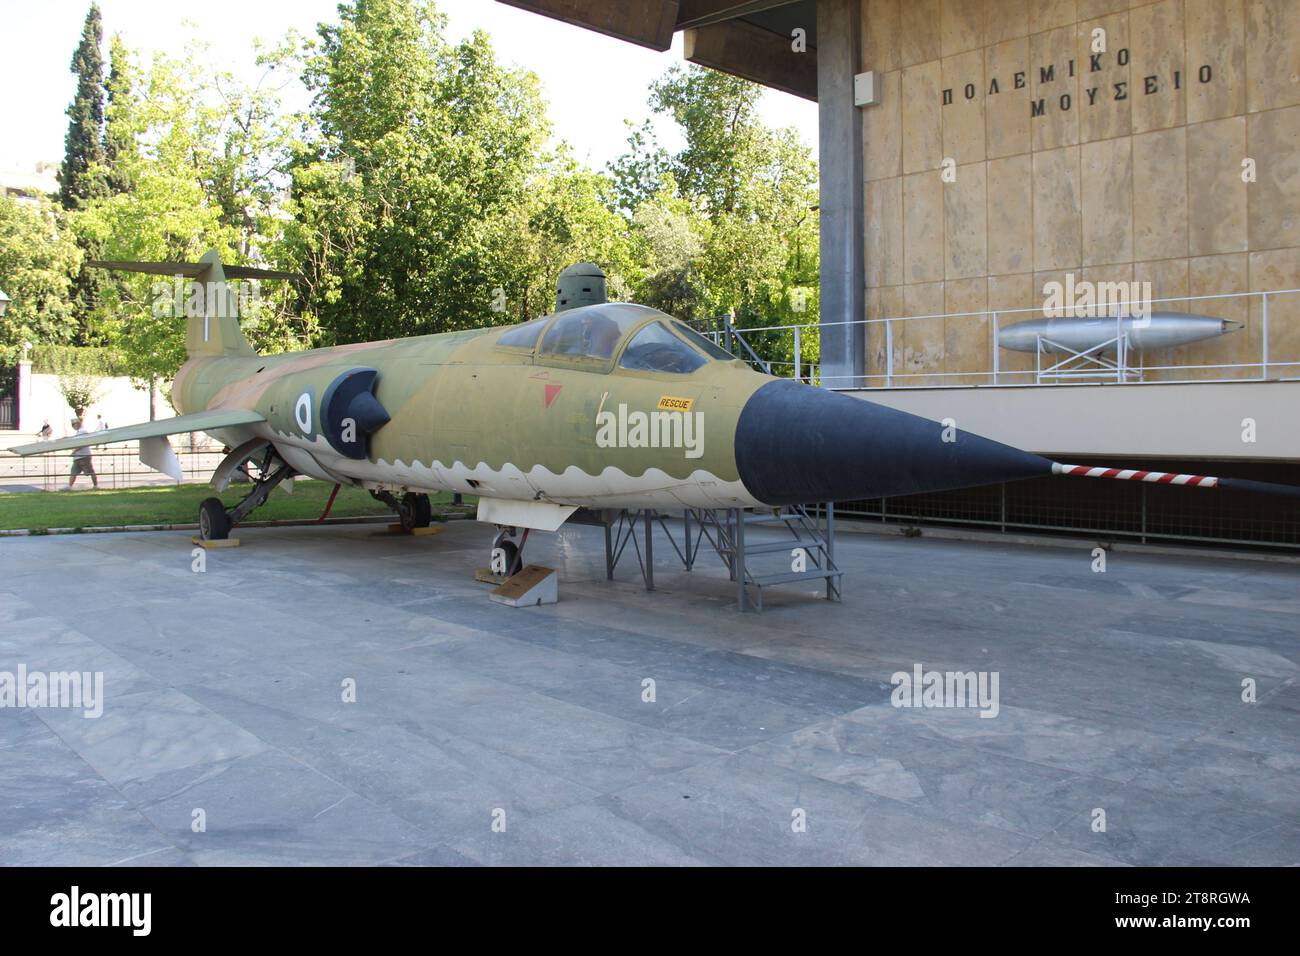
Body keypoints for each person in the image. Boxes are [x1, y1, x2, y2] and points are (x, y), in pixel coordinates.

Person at [67, 418, 98, 490]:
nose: (73, 426)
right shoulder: (79, 432)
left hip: (83, 456)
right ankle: (69, 486)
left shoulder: (82, 432)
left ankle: (95, 486)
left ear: (78, 424)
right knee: (73, 472)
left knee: (90, 472)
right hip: (78, 456)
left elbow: (81, 443)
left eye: (73, 425)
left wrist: (74, 451)